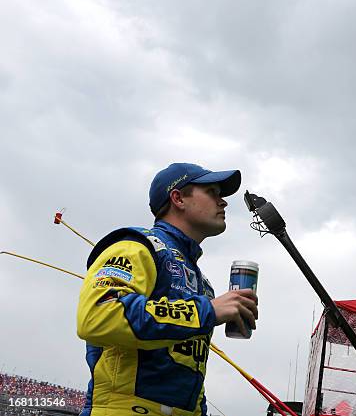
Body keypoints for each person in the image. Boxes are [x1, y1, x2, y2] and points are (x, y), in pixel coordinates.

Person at [76, 162, 258, 416]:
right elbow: (97, 317)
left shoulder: (202, 282)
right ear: (178, 198)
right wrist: (207, 312)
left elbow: (187, 368)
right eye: (212, 192)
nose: (223, 202)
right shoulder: (135, 246)